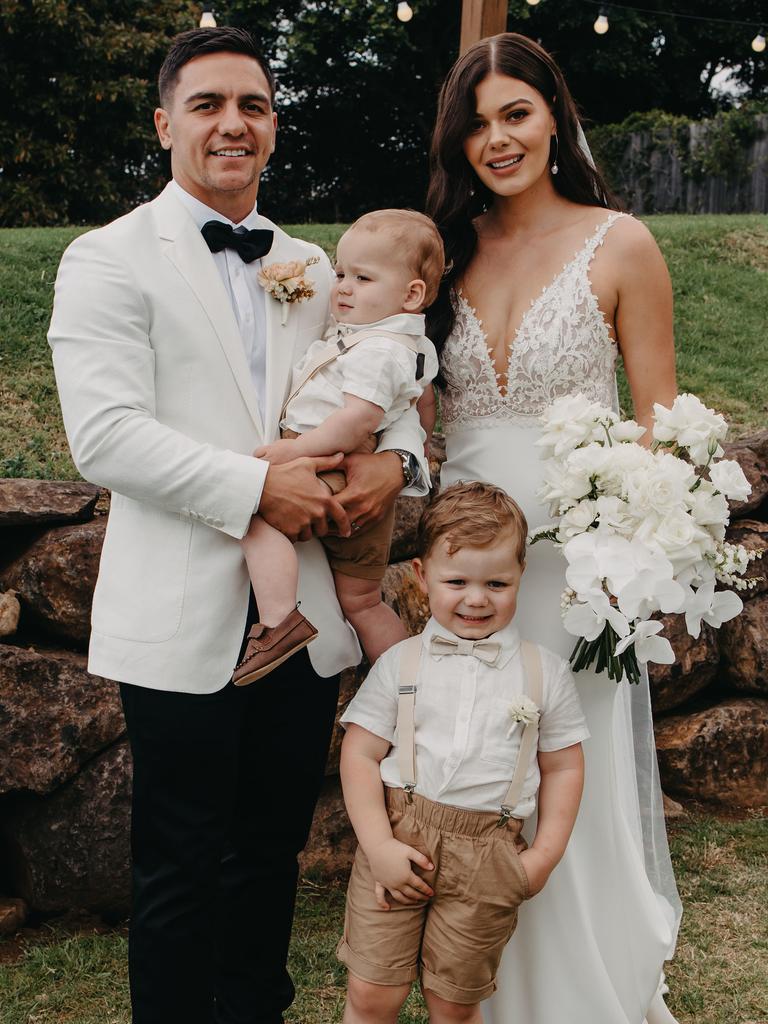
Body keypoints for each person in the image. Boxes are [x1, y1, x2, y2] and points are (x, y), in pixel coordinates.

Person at [47, 27, 427, 1024]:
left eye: (252, 105)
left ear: (273, 129)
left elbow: (392, 390)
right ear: (166, 121)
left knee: (269, 858)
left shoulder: (315, 264)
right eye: (210, 103)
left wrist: (397, 466)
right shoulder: (107, 258)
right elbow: (108, 437)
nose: (232, 123)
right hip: (179, 616)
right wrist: (259, 491)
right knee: (176, 870)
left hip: (301, 615)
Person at [426, 32, 682, 1024]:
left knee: (568, 768)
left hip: (581, 569)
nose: (497, 139)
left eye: (515, 114)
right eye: (476, 124)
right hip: (469, 566)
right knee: (481, 775)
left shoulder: (619, 243)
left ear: (555, 115)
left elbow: (660, 419)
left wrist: (631, 562)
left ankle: (584, 996)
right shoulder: (444, 251)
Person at [337, 481, 589, 1024]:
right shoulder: (401, 664)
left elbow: (564, 764)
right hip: (401, 836)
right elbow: (359, 755)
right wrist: (378, 844)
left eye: (497, 583)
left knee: (455, 1004)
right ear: (422, 577)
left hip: (490, 852)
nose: (477, 599)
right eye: (457, 581)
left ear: (521, 576)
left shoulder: (544, 672)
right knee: (373, 994)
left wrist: (543, 856)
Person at [235, 209, 441, 682]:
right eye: (342, 273)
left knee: (251, 511)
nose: (342, 286)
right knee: (363, 602)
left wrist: (294, 451)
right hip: (359, 481)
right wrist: (407, 449)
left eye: (362, 278)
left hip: (326, 467)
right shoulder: (399, 342)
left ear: (411, 294)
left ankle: (279, 620)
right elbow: (422, 405)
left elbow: (356, 421)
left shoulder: (378, 349)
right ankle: (413, 683)